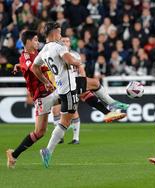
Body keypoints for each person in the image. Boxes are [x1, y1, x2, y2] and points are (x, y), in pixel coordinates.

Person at [32, 22, 128, 168]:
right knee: (65, 122)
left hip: (65, 86)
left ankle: (110, 108)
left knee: (93, 84)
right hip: (69, 88)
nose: (60, 35)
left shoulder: (44, 50)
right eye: (59, 32)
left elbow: (35, 67)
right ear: (53, 33)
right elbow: (70, 60)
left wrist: (45, 81)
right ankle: (48, 150)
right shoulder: (59, 47)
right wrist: (78, 61)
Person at [6, 30, 60, 168]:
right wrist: (47, 80)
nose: (38, 42)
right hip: (41, 96)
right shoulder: (25, 56)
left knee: (70, 95)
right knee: (40, 132)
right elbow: (34, 69)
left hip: (47, 94)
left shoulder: (34, 54)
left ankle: (14, 155)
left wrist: (19, 67)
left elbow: (27, 66)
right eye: (35, 40)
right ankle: (13, 155)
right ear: (28, 41)